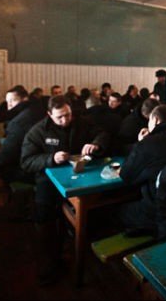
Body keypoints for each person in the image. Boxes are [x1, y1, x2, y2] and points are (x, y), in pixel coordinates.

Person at [20, 95, 111, 285]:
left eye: (68, 115)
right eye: (59, 117)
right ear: (49, 114)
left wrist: (96, 144)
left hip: (80, 175)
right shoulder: (38, 131)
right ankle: (50, 260)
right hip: (48, 179)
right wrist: (51, 159)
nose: (65, 120)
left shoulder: (82, 122)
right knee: (44, 214)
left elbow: (102, 133)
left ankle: (83, 243)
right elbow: (26, 161)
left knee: (96, 206)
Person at [118, 105, 166, 235]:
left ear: (155, 120)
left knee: (116, 212)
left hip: (157, 210)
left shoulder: (148, 143)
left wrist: (140, 143)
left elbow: (126, 175)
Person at [0, 86, 43, 186]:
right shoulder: (37, 108)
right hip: (39, 158)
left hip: (34, 167)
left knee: (3, 169)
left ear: (25, 99)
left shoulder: (19, 122)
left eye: (12, 101)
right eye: (7, 101)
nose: (9, 105)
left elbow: (9, 150)